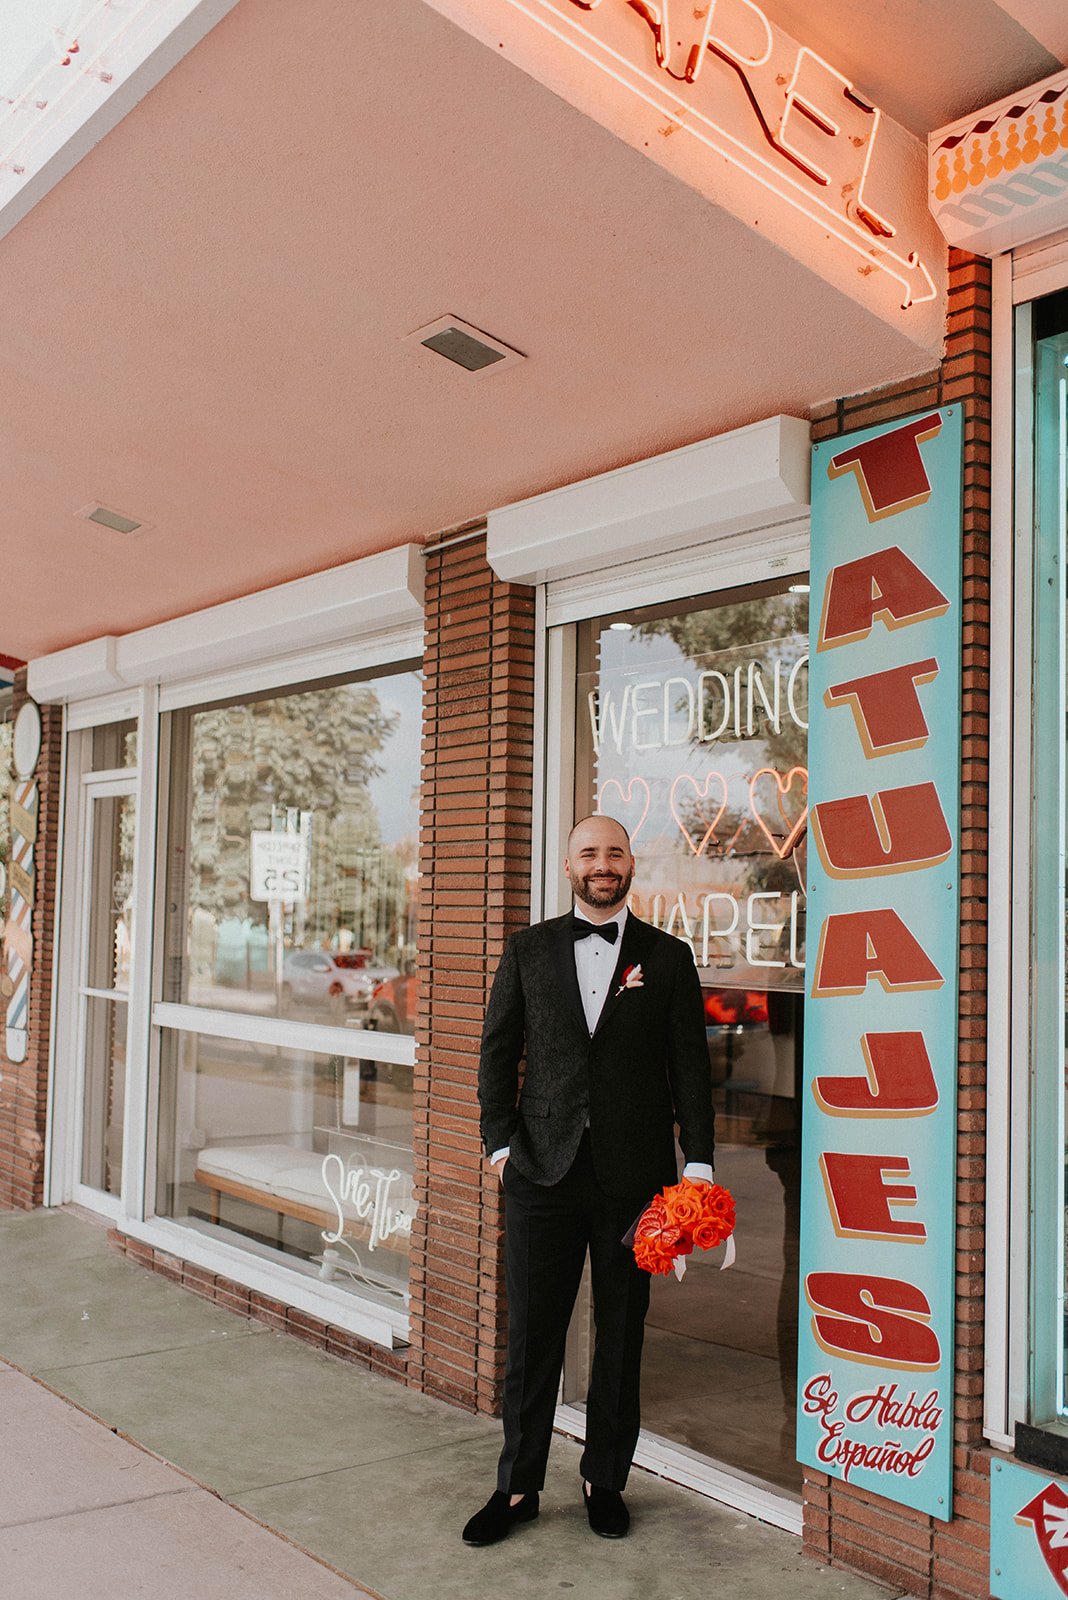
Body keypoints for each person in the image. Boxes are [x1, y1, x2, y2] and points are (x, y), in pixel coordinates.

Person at [462, 814, 714, 1546]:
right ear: (569, 866)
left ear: (631, 863)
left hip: (636, 1183)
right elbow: (497, 1051)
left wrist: (697, 1165)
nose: (603, 864)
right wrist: (499, 1147)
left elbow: (690, 1068)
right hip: (540, 1172)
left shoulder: (668, 957)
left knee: (621, 1335)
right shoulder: (528, 949)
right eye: (588, 853)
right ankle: (517, 1488)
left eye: (614, 852)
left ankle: (605, 1479)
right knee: (532, 1337)